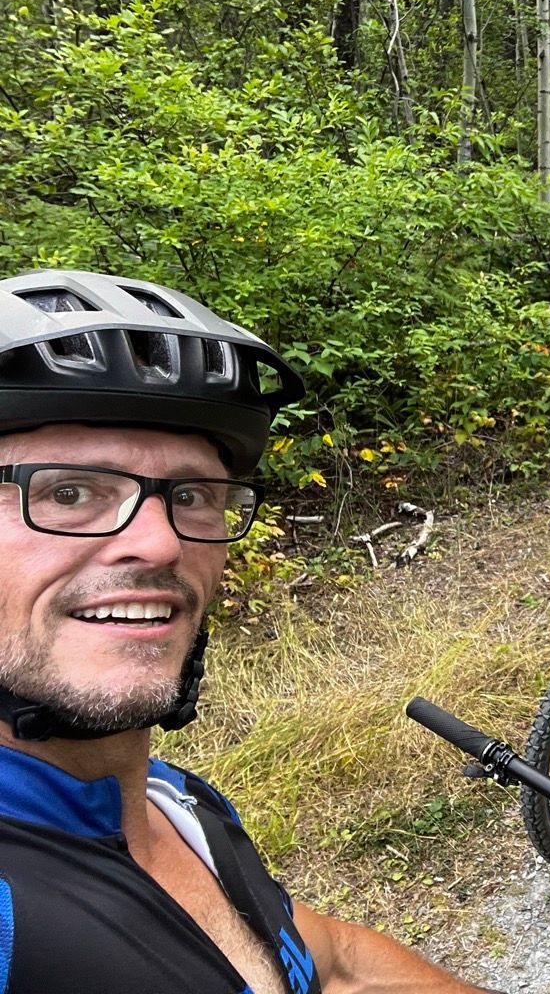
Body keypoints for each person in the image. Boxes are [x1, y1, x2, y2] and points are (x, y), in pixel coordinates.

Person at [0, 269, 492, 993]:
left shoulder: (179, 806)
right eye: (69, 492)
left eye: (193, 495)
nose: (159, 544)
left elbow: (324, 960)